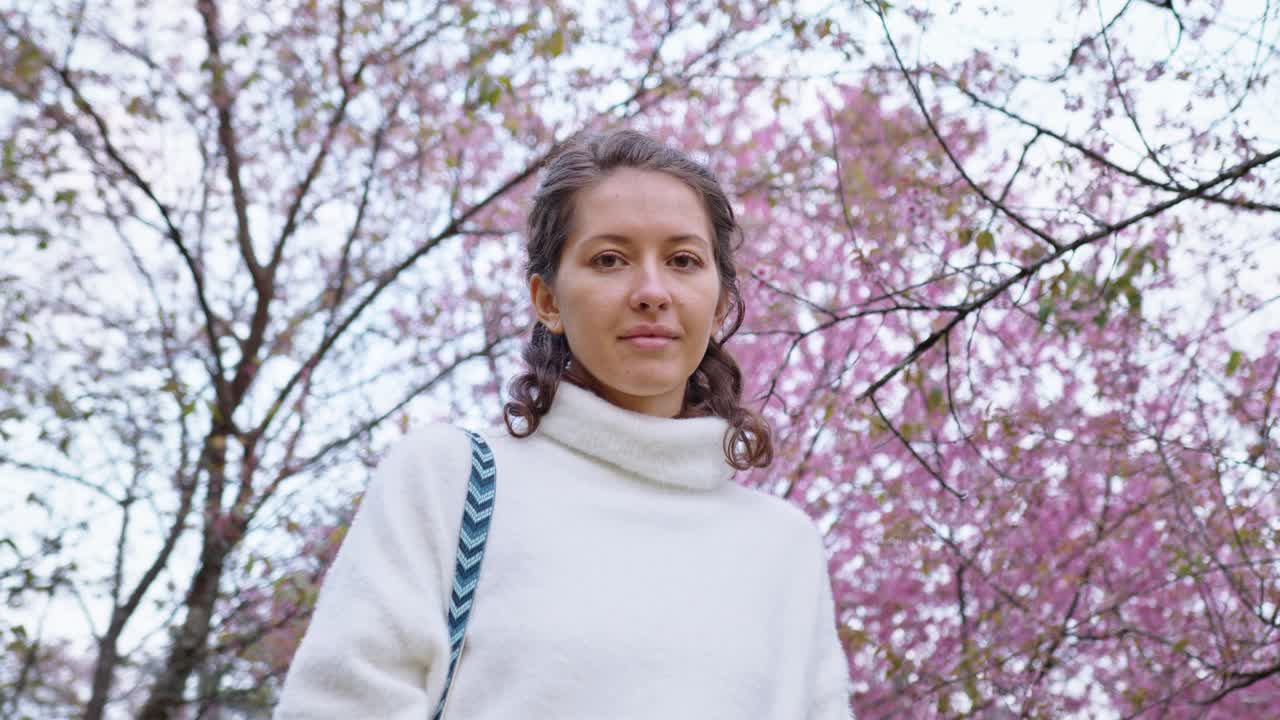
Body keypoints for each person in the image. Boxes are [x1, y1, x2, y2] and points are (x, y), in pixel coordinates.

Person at [274, 129, 853, 718]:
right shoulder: (454, 482)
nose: (652, 291)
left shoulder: (784, 548)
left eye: (683, 261)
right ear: (547, 300)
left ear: (721, 301)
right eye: (610, 259)